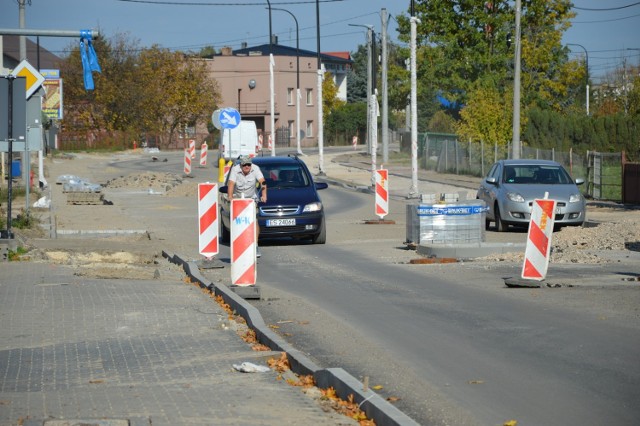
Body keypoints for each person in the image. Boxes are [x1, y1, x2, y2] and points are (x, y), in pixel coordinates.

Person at [227, 155, 267, 257]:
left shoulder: (255, 168)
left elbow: (263, 182)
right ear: (241, 164)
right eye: (244, 164)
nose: (247, 166)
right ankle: (238, 244)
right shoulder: (235, 170)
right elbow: (231, 184)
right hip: (238, 198)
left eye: (248, 164)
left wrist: (264, 195)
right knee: (236, 221)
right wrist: (230, 197)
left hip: (251, 198)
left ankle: (256, 245)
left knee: (254, 221)